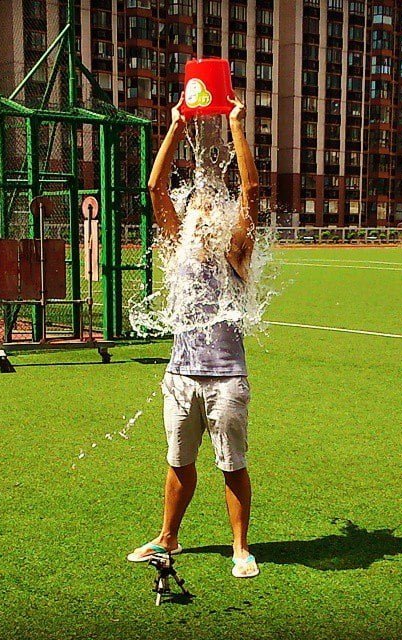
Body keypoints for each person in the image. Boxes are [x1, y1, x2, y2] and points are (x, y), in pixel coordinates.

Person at [127, 92, 260, 578]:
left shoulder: (236, 254)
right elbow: (155, 185)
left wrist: (236, 123)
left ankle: (240, 549)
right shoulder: (178, 250)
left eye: (211, 209)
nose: (204, 215)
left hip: (226, 380)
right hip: (181, 375)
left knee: (232, 465)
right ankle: (168, 538)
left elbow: (250, 190)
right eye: (197, 210)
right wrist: (179, 122)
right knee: (178, 462)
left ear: (223, 220)